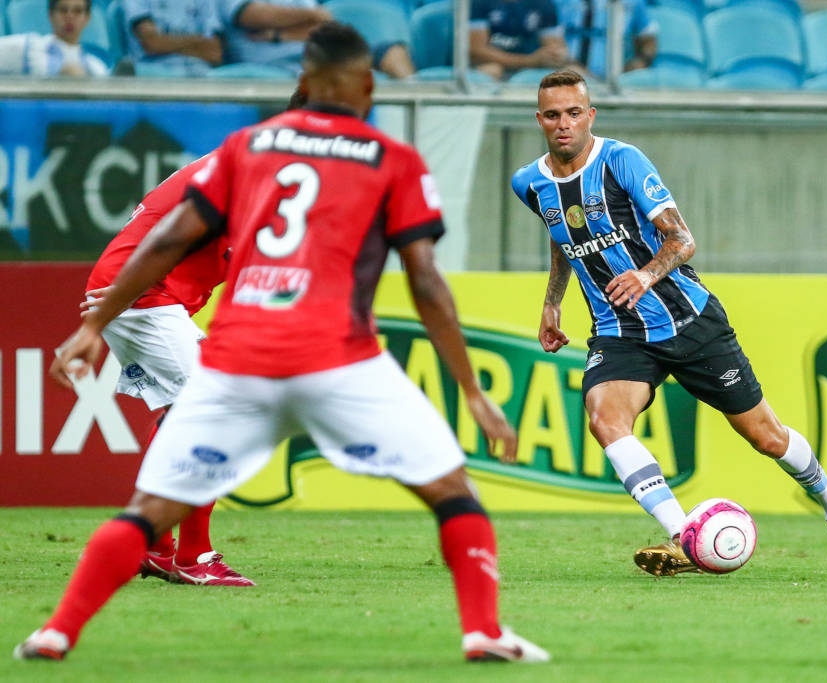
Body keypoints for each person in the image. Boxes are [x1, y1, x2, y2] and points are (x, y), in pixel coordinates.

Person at [15, 22, 548, 664]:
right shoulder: (391, 158)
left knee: (149, 505)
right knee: (451, 488)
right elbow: (427, 283)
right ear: (368, 86)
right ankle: (483, 630)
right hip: (335, 353)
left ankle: (58, 630)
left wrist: (93, 324)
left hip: (240, 353)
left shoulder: (247, 149)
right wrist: (470, 389)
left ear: (303, 81)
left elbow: (167, 237)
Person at [510, 71, 827, 578]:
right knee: (605, 419)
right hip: (620, 331)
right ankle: (684, 536)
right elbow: (562, 232)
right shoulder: (528, 182)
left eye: (574, 113)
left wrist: (645, 274)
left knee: (767, 437)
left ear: (590, 115)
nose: (564, 124)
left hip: (688, 320)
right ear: (539, 120)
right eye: (553, 115)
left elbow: (683, 240)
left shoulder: (622, 161)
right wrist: (553, 302)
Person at [81, 155, 253, 587]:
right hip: (141, 295)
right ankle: (193, 557)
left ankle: (156, 547)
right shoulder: (249, 170)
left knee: (185, 416)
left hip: (139, 294)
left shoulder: (240, 164)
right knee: (213, 414)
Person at [217, 0, 415, 79]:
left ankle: (417, 103)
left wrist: (279, 34)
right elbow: (251, 16)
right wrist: (310, 16)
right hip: (275, 63)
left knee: (391, 51)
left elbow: (324, 23)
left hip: (323, 52)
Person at [0, 0, 109, 77]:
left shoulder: (96, 67)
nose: (70, 16)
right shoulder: (28, 48)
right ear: (51, 14)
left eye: (77, 11)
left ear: (87, 18)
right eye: (63, 10)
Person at [469, 0, 573, 80]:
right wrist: (530, 61)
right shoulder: (478, 3)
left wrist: (556, 56)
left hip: (531, 68)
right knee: (492, 70)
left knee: (573, 72)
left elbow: (555, 47)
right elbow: (476, 51)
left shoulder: (544, 4)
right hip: (493, 65)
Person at [558, 0, 657, 79]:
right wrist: (568, 65)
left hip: (618, 82)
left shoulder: (634, 2)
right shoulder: (562, 2)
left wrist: (638, 64)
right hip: (570, 77)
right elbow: (552, 43)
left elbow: (648, 41)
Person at [123, 0, 223, 77]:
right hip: (152, 77)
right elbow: (151, 43)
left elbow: (214, 52)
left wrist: (165, 42)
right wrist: (197, 44)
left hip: (201, 76)